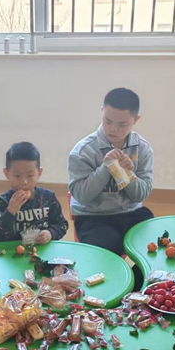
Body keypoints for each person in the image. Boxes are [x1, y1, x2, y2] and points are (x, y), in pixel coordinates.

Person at [68, 88, 154, 288]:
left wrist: (128, 175)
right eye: (107, 121)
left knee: (156, 246)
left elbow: (141, 194)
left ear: (135, 120)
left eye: (122, 124)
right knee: (106, 251)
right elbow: (81, 195)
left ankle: (135, 288)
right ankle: (114, 287)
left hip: (130, 212)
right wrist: (106, 168)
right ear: (101, 112)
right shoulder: (83, 151)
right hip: (94, 215)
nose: (113, 129)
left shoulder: (142, 149)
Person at [0, 141, 69, 244]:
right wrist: (10, 212)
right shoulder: (2, 202)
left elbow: (62, 224)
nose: (24, 182)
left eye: (30, 175)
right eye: (17, 176)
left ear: (39, 173)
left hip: (41, 250)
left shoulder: (48, 198)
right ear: (6, 174)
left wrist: (50, 233)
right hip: (12, 251)